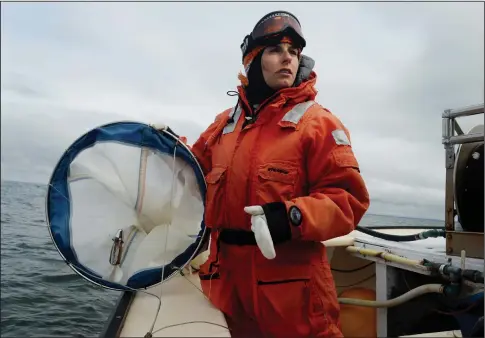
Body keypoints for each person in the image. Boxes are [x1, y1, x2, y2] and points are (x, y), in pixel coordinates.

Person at [161, 10, 370, 338]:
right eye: (275, 50)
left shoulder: (318, 124)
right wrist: (166, 147)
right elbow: (192, 171)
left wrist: (290, 217)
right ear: (253, 60)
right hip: (228, 293)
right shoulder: (223, 125)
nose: (287, 58)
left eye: (293, 51)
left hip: (295, 305)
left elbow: (348, 201)